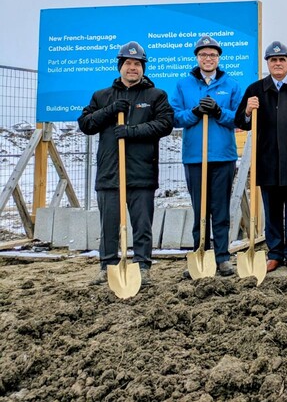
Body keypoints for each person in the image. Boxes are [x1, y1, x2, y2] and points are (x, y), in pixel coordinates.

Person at [78, 41, 174, 286]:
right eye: (128, 63)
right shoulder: (102, 96)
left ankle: (143, 265)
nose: (133, 68)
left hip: (141, 172)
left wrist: (132, 131)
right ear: (120, 66)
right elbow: (86, 124)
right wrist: (109, 111)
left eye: (138, 64)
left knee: (142, 224)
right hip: (110, 173)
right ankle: (107, 265)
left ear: (143, 68)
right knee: (109, 225)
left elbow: (165, 124)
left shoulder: (155, 96)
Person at [234, 41, 287, 273]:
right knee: (271, 212)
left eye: (282, 59)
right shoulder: (255, 90)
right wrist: (248, 111)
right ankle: (275, 254)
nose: (278, 63)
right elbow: (240, 123)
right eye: (273, 60)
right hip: (268, 160)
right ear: (267, 63)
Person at [171, 35, 243, 278]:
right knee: (199, 209)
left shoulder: (231, 84)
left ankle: (222, 257)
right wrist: (194, 112)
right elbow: (174, 117)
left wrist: (219, 111)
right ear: (197, 58)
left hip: (223, 155)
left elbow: (239, 118)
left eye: (212, 55)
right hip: (195, 156)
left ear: (218, 58)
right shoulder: (184, 85)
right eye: (203, 54)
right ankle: (201, 252)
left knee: (220, 209)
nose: (208, 58)